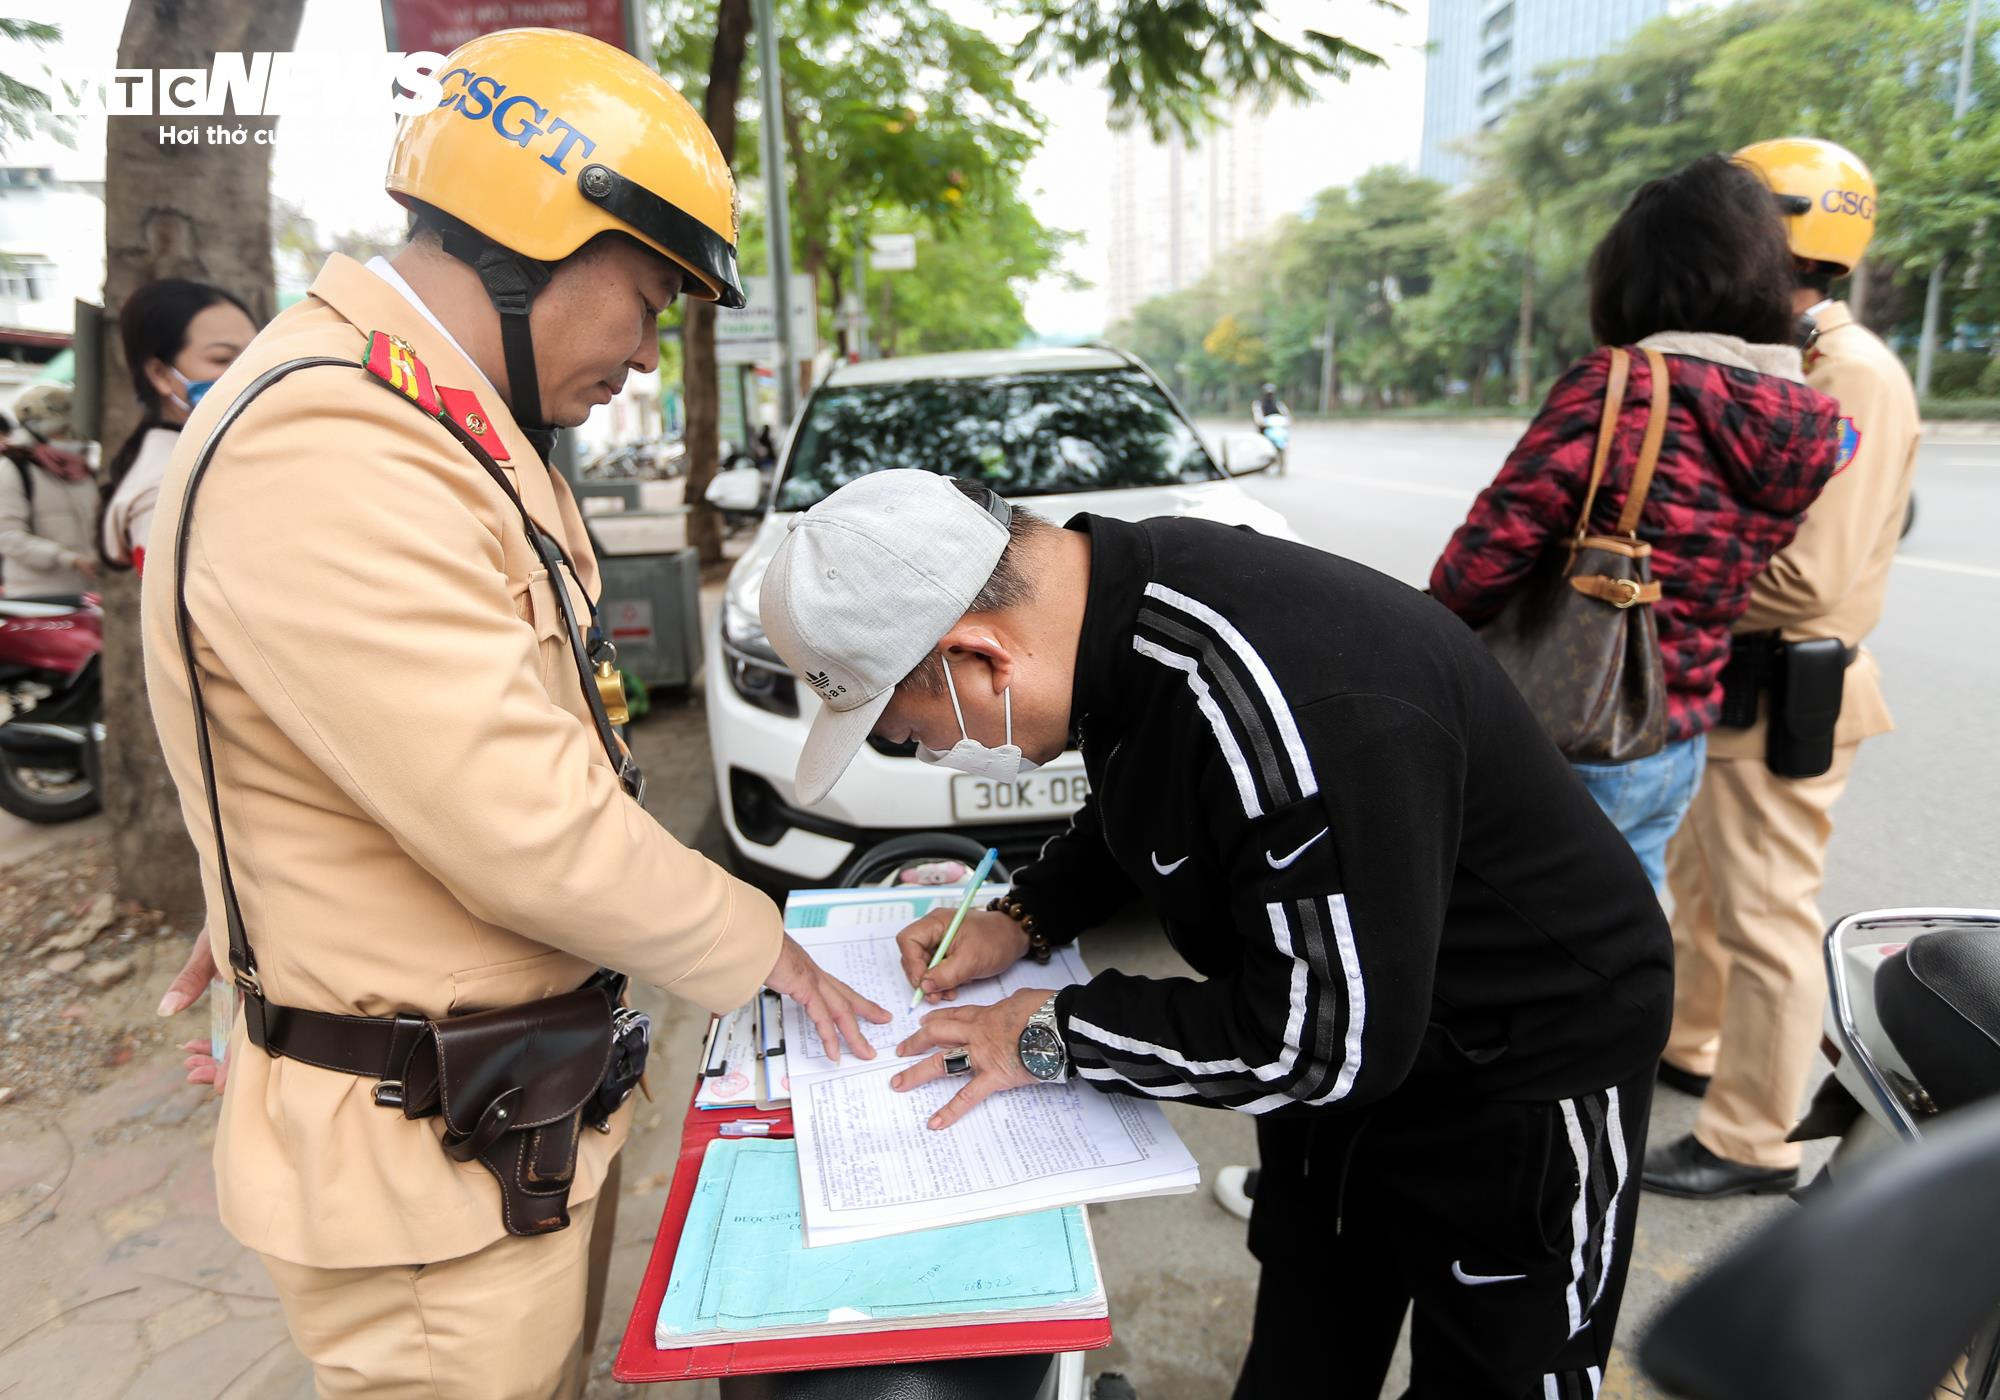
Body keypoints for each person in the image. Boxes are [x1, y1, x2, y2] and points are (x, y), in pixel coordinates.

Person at [143, 29, 886, 1397]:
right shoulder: (333, 441)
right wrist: (765, 950)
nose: (648, 357)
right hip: (425, 1170)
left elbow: (373, 743)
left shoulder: (427, 420)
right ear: (543, 233)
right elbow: (522, 821)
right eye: (647, 302)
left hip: (502, 1122)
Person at [758, 468, 1673, 1397]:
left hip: (1519, 1060)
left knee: (1500, 1375)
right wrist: (1023, 917)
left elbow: (1320, 1048)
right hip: (1347, 1032)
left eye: (912, 733)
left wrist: (1048, 1032)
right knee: (1306, 1343)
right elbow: (1163, 797)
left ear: (983, 657)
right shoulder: (1110, 615)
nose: (932, 753)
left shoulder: (1299, 706)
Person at [1431, 154, 1844, 891]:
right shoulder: (1806, 418)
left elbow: (1477, 568)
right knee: (1631, 925)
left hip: (1571, 728)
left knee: (1518, 931)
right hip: (1678, 735)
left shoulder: (1621, 386)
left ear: (1637, 277)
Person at [1643, 138, 1921, 1201]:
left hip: (1783, 682)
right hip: (1734, 680)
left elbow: (1810, 576)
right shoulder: (1792, 355)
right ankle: (1693, 1048)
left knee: (1764, 917)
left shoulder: (1849, 372)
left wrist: (1651, 579)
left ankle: (1751, 1141)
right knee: (1703, 891)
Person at [98, 279, 258, 574]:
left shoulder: (204, 456)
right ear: (160, 374)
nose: (251, 370)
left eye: (256, 354)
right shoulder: (165, 486)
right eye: (222, 358)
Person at [0, 383, 99, 596]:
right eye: (59, 431)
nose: (68, 438)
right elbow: (7, 535)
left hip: (88, 593)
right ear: (35, 431)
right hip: (35, 596)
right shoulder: (13, 470)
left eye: (70, 430)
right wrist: (67, 559)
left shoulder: (86, 471)